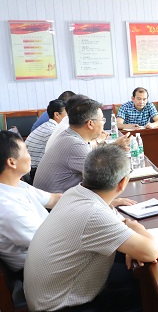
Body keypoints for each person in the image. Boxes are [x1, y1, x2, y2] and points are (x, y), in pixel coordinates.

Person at [24, 145, 158, 312]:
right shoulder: (93, 214)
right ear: (123, 183)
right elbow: (149, 251)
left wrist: (128, 235)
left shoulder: (76, 193)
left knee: (142, 297)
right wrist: (136, 228)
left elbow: (116, 222)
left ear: (85, 174)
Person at [34, 98, 130, 193]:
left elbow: (91, 152)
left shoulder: (68, 135)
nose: (103, 123)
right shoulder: (75, 145)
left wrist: (115, 146)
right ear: (90, 124)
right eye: (102, 120)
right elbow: (105, 175)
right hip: (57, 201)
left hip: (56, 198)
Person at [0, 130, 61, 272]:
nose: (30, 156)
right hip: (42, 268)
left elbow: (53, 199)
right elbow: (51, 244)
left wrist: (91, 200)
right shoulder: (8, 209)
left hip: (51, 246)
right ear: (12, 162)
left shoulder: (17, 184)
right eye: (26, 151)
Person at [25, 99, 66, 182]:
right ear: (57, 115)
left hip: (31, 170)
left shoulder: (46, 125)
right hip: (37, 173)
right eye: (67, 114)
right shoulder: (53, 131)